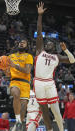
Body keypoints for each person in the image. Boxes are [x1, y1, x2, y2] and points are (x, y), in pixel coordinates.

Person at [34, 2, 75, 131]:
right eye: (47, 42)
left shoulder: (57, 56)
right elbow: (39, 31)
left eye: (51, 43)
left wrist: (66, 50)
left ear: (55, 46)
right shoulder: (40, 50)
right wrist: (40, 15)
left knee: (56, 110)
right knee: (44, 110)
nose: (48, 43)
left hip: (50, 83)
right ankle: (50, 129)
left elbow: (72, 61)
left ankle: (61, 130)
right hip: (39, 82)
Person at [5, 39, 33, 131]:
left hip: (25, 83)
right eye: (20, 42)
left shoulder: (28, 56)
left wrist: (15, 66)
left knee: (24, 105)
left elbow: (27, 70)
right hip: (14, 81)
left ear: (27, 46)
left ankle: (19, 125)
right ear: (18, 45)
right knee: (16, 94)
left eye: (24, 42)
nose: (21, 43)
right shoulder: (10, 56)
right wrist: (5, 70)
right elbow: (8, 74)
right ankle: (18, 120)